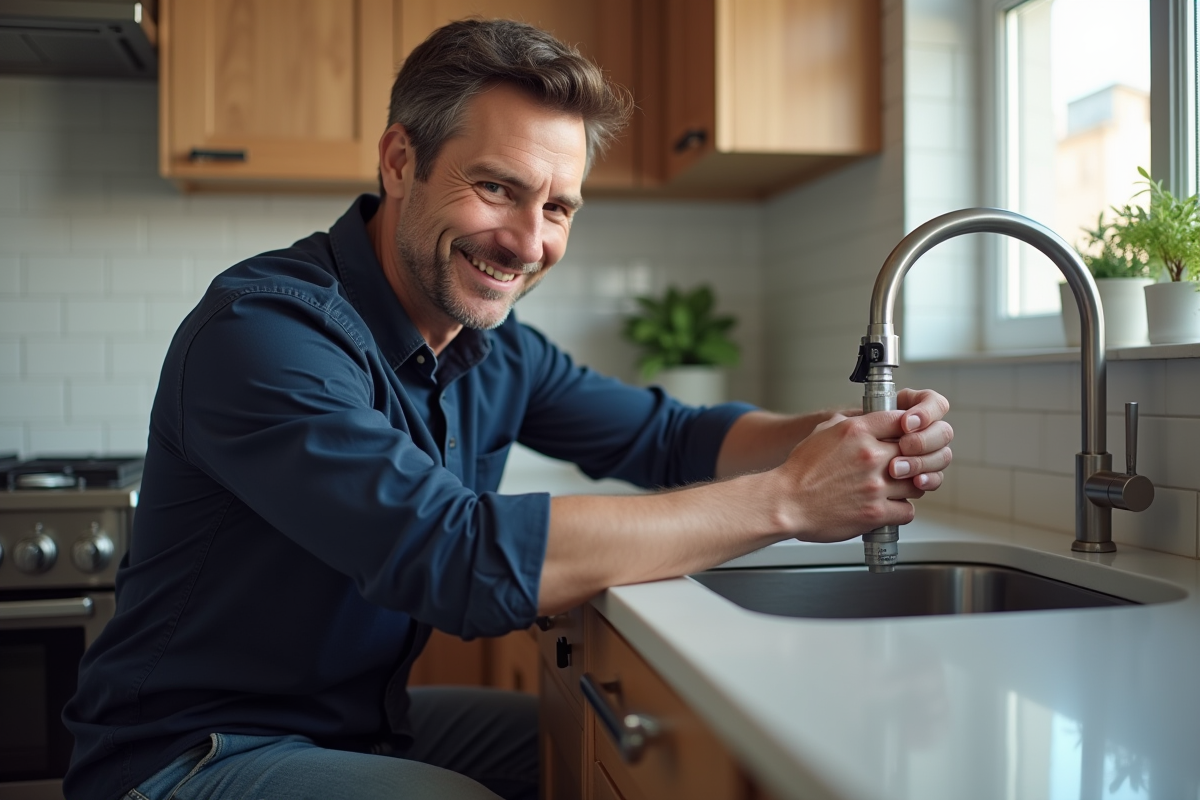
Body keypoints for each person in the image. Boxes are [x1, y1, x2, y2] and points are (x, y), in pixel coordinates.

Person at [63, 18, 952, 800]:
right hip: (186, 760)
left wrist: (836, 438)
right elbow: (450, 556)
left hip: (364, 724)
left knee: (622, 746)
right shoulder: (263, 331)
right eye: (497, 188)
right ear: (400, 159)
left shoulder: (494, 349)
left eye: (558, 205)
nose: (530, 242)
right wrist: (789, 499)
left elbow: (671, 435)